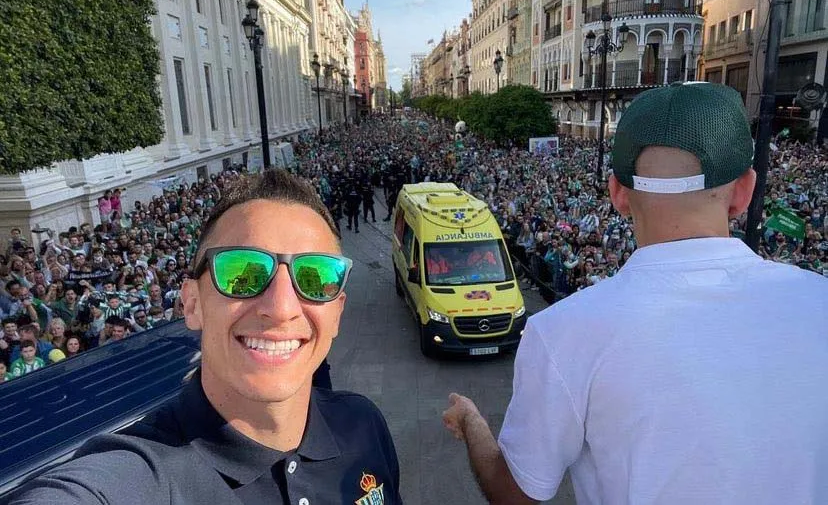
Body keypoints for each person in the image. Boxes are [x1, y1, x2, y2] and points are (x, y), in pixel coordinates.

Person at [442, 83, 828, 504]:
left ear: (618, 194)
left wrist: (473, 423)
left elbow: (517, 493)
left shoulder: (564, 331)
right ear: (744, 191)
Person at [7, 168, 401, 504]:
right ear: (192, 303)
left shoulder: (363, 424)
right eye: (241, 272)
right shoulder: (140, 475)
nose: (282, 307)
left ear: (336, 313)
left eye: (316, 277)